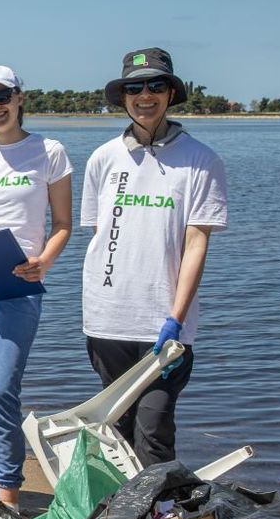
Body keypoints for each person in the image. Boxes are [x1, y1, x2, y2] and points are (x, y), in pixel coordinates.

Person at [81, 47, 228, 465]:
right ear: (123, 96)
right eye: (134, 87)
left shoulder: (201, 161)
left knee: (154, 428)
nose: (145, 95)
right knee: (115, 431)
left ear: (171, 93)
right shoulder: (103, 158)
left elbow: (196, 244)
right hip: (107, 318)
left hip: (165, 324)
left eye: (155, 85)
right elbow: (101, 234)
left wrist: (176, 320)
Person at [0, 65, 72, 511]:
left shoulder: (49, 152)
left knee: (1, 388)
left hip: (19, 282)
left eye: (1, 97)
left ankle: (9, 494)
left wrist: (45, 261)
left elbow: (63, 224)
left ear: (20, 97)